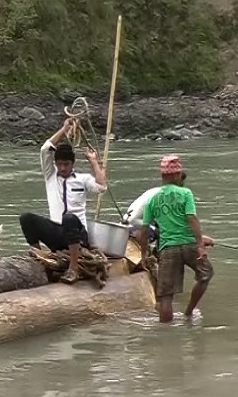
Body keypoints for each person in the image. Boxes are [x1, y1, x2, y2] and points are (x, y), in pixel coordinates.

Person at [19, 117, 107, 284]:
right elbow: (45, 149)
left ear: (72, 163)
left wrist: (93, 161)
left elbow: (102, 187)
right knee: (26, 218)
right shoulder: (50, 176)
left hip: (78, 236)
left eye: (66, 164)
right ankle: (39, 260)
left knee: (69, 218)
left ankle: (73, 269)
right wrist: (65, 130)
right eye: (59, 164)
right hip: (57, 234)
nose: (63, 168)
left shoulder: (83, 179)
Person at [137, 155, 214, 323]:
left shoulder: (152, 199)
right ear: (176, 175)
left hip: (167, 248)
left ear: (162, 176)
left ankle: (165, 337)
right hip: (189, 245)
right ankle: (188, 312)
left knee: (166, 296)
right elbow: (191, 219)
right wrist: (200, 244)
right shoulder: (185, 193)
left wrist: (143, 255)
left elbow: (143, 231)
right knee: (206, 274)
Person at [123, 171, 215, 249]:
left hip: (129, 225)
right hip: (134, 225)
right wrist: (198, 239)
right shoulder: (165, 196)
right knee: (164, 233)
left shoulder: (159, 191)